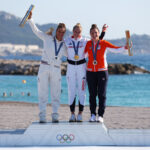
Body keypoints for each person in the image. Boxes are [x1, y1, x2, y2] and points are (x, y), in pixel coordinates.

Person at [84, 24, 130, 123]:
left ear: (98, 33)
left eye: (95, 32)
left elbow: (116, 49)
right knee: (92, 95)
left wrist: (125, 47)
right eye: (92, 33)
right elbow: (82, 55)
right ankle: (92, 114)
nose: (94, 34)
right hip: (90, 72)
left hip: (102, 72)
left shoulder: (104, 43)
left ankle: (100, 115)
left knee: (102, 94)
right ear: (90, 34)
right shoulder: (88, 44)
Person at [27, 12, 67, 123]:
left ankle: (55, 115)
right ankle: (42, 116)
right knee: (42, 92)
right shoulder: (47, 38)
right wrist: (31, 20)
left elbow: (72, 55)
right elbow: (37, 31)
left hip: (56, 69)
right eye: (59, 31)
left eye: (63, 32)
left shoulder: (64, 45)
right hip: (44, 67)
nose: (60, 34)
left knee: (56, 93)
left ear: (64, 33)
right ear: (56, 31)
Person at [65, 23, 107, 122]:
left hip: (82, 67)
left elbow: (97, 39)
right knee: (71, 90)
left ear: (81, 32)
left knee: (81, 90)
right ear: (72, 31)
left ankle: (80, 113)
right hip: (70, 66)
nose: (77, 33)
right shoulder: (67, 41)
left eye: (79, 31)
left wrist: (103, 31)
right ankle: (72, 114)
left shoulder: (85, 41)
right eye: (75, 31)